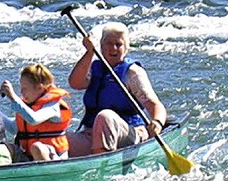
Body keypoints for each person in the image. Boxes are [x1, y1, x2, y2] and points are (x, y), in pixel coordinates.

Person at [67, 22, 167, 156]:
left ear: (126, 48)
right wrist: (89, 53)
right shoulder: (94, 68)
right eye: (108, 43)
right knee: (59, 140)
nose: (113, 48)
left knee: (105, 116)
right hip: (93, 134)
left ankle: (101, 163)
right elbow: (75, 83)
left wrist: (157, 122)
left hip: (130, 133)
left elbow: (153, 103)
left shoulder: (133, 73)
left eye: (118, 44)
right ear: (101, 46)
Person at [0, 63, 72, 161]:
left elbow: (34, 119)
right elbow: (13, 128)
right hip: (29, 157)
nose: (21, 92)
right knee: (3, 148)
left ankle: (48, 173)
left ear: (39, 88)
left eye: (25, 89)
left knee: (37, 147)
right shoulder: (28, 106)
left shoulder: (53, 106)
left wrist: (13, 97)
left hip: (54, 157)